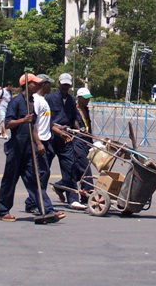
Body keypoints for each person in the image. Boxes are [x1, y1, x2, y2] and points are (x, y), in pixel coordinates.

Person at [0, 73, 44, 222]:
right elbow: (8, 124)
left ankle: (45, 209)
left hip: (29, 147)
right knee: (10, 179)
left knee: (34, 178)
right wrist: (23, 120)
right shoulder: (16, 101)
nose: (37, 86)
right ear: (27, 85)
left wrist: (38, 143)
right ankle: (3, 211)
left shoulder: (31, 102)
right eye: (34, 83)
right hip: (16, 147)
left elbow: (33, 126)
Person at [24, 74, 68, 220]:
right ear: (44, 85)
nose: (52, 87)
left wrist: (60, 133)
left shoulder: (43, 100)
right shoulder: (35, 100)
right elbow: (32, 124)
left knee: (44, 174)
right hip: (39, 142)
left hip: (46, 141)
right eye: (50, 84)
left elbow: (47, 123)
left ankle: (32, 202)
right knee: (39, 175)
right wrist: (38, 143)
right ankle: (43, 206)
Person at [46, 73, 86, 210]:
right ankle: (35, 199)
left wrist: (78, 128)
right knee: (44, 169)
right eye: (63, 85)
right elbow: (45, 119)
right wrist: (57, 129)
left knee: (70, 167)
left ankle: (73, 198)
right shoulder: (49, 98)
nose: (65, 87)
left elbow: (74, 117)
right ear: (58, 84)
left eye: (67, 85)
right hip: (51, 137)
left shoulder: (71, 100)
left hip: (66, 137)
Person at [74, 87, 95, 202]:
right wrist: (78, 129)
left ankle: (62, 185)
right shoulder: (74, 109)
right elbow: (74, 122)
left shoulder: (86, 110)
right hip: (77, 141)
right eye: (85, 99)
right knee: (85, 168)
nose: (88, 101)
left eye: (88, 99)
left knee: (76, 170)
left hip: (86, 141)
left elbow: (88, 125)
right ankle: (87, 193)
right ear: (79, 98)